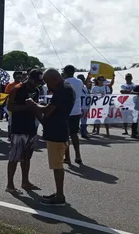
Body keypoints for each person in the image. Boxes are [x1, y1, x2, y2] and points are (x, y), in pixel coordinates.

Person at [26, 68, 75, 206]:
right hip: (60, 129)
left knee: (57, 165)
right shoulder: (67, 88)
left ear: (54, 79)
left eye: (47, 82)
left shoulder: (62, 91)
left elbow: (47, 110)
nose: (47, 86)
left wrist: (34, 105)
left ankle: (60, 196)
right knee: (57, 164)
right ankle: (58, 193)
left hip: (56, 132)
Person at [6, 70, 44, 194]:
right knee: (15, 157)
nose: (38, 84)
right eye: (37, 82)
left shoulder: (36, 91)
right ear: (30, 79)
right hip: (18, 127)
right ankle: (10, 185)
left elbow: (35, 109)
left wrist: (44, 123)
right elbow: (10, 107)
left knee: (27, 157)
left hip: (31, 127)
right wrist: (27, 107)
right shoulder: (17, 89)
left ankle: (25, 182)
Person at [62, 65, 84, 164]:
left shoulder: (64, 82)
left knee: (65, 135)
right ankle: (78, 155)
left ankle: (67, 157)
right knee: (74, 134)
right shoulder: (79, 82)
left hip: (66, 111)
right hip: (76, 110)